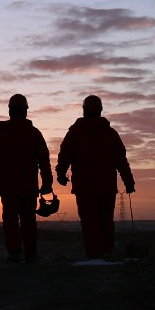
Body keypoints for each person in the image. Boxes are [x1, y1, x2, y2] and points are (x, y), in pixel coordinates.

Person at [56, 95, 135, 260]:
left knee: (89, 222)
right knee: (106, 221)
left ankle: (94, 255)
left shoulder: (75, 133)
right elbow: (121, 160)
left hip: (84, 187)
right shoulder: (110, 134)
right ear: (100, 110)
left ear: (84, 110)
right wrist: (128, 182)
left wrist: (61, 174)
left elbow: (65, 155)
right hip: (106, 187)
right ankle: (107, 253)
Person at [0, 94, 53, 263]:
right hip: (28, 187)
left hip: (8, 187)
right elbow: (44, 160)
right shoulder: (33, 133)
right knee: (28, 220)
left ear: (10, 110)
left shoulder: (0, 133)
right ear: (25, 111)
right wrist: (47, 183)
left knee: (10, 221)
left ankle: (14, 252)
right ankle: (31, 254)